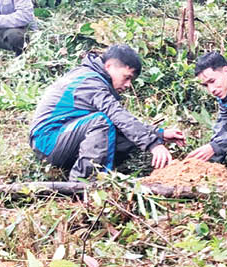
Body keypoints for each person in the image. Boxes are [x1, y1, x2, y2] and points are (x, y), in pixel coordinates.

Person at [28, 44, 184, 182]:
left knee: (116, 130)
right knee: (101, 122)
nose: (128, 85)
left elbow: (121, 122)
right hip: (48, 142)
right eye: (127, 77)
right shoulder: (90, 81)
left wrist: (159, 134)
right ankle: (83, 184)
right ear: (109, 66)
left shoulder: (91, 76)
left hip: (61, 137)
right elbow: (117, 115)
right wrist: (153, 145)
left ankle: (99, 175)